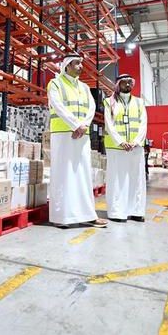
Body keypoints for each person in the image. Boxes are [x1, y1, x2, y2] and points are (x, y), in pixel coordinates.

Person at [47, 53, 108, 229]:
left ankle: (88, 215)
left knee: (83, 175)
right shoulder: (56, 83)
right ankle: (62, 216)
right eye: (77, 63)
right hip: (63, 134)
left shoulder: (84, 87)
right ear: (67, 66)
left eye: (81, 63)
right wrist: (76, 125)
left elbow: (92, 107)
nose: (81, 66)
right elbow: (58, 106)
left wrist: (84, 125)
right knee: (63, 174)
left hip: (82, 134)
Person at [103, 74, 148, 222]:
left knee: (137, 179)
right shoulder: (109, 102)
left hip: (136, 147)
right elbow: (109, 124)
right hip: (116, 147)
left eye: (130, 82)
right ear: (118, 84)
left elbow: (143, 123)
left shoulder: (139, 102)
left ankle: (136, 211)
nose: (128, 85)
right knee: (117, 180)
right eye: (124, 82)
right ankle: (117, 212)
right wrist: (121, 141)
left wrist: (136, 141)